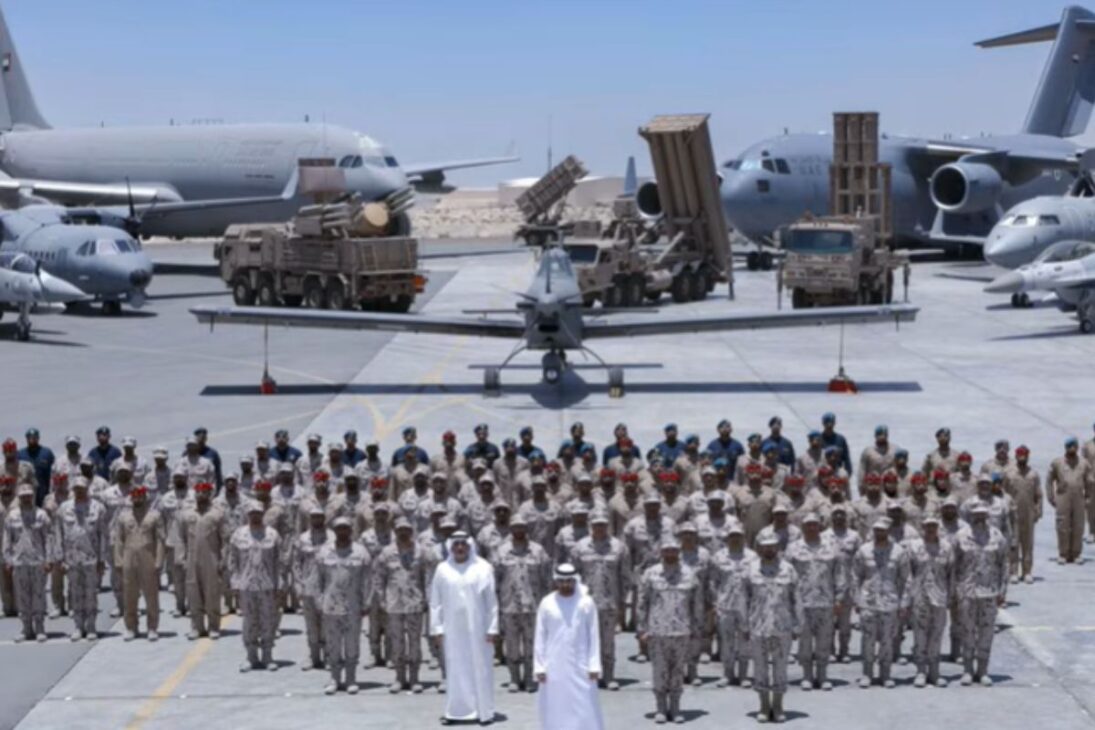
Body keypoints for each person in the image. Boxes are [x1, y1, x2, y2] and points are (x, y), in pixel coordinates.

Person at [429, 530, 498, 726]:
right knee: (455, 669)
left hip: (479, 629)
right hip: (452, 631)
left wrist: (493, 628)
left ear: (470, 546)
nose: (460, 548)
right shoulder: (442, 569)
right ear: (450, 547)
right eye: (456, 544)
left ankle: (483, 711)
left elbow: (492, 601)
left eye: (463, 544)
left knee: (480, 667)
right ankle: (456, 712)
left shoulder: (483, 568)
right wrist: (437, 628)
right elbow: (436, 602)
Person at [636, 538, 703, 725]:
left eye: (674, 551)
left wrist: (697, 630)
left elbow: (696, 604)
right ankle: (660, 708)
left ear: (678, 552)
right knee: (659, 670)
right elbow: (642, 603)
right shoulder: (651, 574)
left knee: (677, 671)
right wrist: (642, 629)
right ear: (661, 552)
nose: (670, 554)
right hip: (657, 631)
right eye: (667, 551)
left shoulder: (689, 574)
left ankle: (675, 707)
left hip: (681, 631)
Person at [534, 563, 604, 730]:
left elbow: (593, 635)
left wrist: (594, 665)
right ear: (556, 581)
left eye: (569, 581)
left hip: (581, 663)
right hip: (554, 664)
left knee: (583, 702)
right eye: (562, 581)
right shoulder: (547, 602)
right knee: (555, 703)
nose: (565, 585)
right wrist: (539, 667)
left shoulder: (586, 602)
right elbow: (540, 636)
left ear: (575, 581)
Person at [745, 532, 801, 723]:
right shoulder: (750, 569)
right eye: (765, 546)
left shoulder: (789, 569)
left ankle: (777, 705)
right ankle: (763, 705)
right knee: (760, 668)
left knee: (780, 668)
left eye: (772, 546)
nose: (769, 549)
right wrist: (744, 625)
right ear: (759, 548)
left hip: (782, 626)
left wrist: (797, 625)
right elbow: (743, 599)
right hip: (758, 626)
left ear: (778, 547)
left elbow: (797, 599)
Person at [571, 510, 629, 690]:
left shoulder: (619, 547)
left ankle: (609, 676)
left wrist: (622, 603)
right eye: (596, 525)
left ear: (608, 526)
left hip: (609, 603)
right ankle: (587, 677)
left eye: (603, 525)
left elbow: (625, 577)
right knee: (584, 642)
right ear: (590, 526)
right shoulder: (580, 547)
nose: (600, 528)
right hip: (584, 604)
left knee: (607, 642)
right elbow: (572, 577)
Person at [495, 515, 552, 693]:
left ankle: (529, 678)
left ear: (527, 529)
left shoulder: (538, 551)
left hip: (533, 606)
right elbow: (495, 580)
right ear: (511, 530)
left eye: (522, 527)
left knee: (531, 645)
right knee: (511, 644)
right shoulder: (501, 551)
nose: (519, 530)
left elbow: (547, 580)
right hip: (509, 606)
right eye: (516, 527)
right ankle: (513, 678)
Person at [785, 513, 841, 691]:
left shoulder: (831, 547)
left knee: (824, 640)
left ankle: (823, 676)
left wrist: (839, 598)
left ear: (820, 527)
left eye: (815, 525)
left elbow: (839, 575)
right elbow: (787, 575)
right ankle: (807, 675)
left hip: (825, 601)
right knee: (805, 641)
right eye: (808, 525)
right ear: (803, 527)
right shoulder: (793, 548)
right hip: (803, 602)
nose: (811, 528)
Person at [377, 517, 433, 693]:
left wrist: (427, 598)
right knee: (397, 642)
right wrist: (382, 600)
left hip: (415, 603)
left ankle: (415, 678)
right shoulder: (386, 553)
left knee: (415, 642)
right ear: (395, 532)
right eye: (400, 530)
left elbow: (428, 577)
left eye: (406, 530)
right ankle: (399, 678)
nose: (403, 533)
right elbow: (379, 578)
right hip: (394, 604)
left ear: (411, 532)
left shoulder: (421, 552)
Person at [317, 516, 373, 695]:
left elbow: (368, 580)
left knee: (351, 643)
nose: (342, 531)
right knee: (332, 644)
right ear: (334, 531)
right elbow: (318, 579)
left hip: (353, 606)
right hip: (331, 606)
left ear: (351, 530)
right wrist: (319, 600)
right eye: (339, 528)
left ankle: (350, 678)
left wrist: (367, 602)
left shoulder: (361, 552)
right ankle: (334, 678)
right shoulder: (324, 552)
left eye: (346, 528)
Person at [852, 518, 910, 689]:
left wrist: (904, 602)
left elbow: (906, 579)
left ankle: (886, 674)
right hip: (868, 601)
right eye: (877, 530)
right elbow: (855, 576)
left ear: (889, 531)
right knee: (867, 639)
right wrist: (857, 599)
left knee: (887, 640)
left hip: (890, 602)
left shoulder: (899, 552)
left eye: (883, 530)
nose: (880, 533)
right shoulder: (863, 550)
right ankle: (867, 674)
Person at [955, 503, 1008, 687]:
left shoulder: (996, 536)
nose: (979, 518)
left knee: (986, 632)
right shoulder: (961, 536)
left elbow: (1004, 564)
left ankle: (983, 670)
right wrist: (956, 590)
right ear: (970, 516)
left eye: (982, 515)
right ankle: (968, 670)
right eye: (976, 515)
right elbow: (954, 565)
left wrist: (1002, 591)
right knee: (967, 631)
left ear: (987, 515)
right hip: (967, 591)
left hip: (989, 591)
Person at [229, 500, 281, 672]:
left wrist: (279, 584)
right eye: (252, 513)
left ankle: (267, 656)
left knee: (268, 620)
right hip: (246, 585)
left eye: (258, 513)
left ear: (263, 514)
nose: (255, 516)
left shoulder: (272, 534)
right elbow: (233, 560)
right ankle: (251, 656)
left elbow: (278, 561)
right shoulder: (239, 535)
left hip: (267, 585)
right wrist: (234, 582)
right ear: (247, 514)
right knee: (249, 621)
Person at [54, 477, 107, 640]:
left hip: (91, 558)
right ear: (72, 489)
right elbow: (58, 534)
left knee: (91, 593)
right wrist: (60, 558)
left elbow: (103, 535)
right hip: (72, 559)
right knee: (75, 594)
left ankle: (91, 626)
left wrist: (102, 559)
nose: (79, 491)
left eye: (82, 488)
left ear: (87, 488)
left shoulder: (98, 508)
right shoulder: (64, 508)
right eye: (76, 488)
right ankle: (78, 626)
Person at [907, 516, 954, 688]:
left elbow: (951, 574)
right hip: (919, 597)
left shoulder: (946, 547)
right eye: (928, 526)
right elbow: (908, 573)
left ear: (938, 527)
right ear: (922, 527)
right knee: (920, 635)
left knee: (937, 634)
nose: (931, 529)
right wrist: (908, 597)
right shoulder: (913, 546)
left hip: (939, 597)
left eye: (934, 526)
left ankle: (934, 672)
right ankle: (920, 671)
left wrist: (951, 596)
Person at [112, 485, 163, 642]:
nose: (137, 498)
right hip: (129, 557)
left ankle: (152, 627)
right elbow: (118, 540)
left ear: (145, 497)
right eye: (134, 495)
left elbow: (160, 540)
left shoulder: (154, 515)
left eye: (140, 495)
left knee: (151, 595)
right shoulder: (123, 516)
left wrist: (159, 561)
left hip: (148, 557)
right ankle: (131, 627)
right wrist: (118, 560)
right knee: (130, 594)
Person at [709, 517, 755, 689]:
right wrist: (715, 602)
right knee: (726, 641)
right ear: (727, 539)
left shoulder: (752, 557)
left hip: (746, 605)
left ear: (743, 538)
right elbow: (713, 582)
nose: (735, 539)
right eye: (732, 536)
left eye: (738, 536)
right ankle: (727, 674)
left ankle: (743, 675)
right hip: (725, 605)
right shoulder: (718, 557)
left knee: (745, 640)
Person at [179, 482, 229, 639]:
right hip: (192, 558)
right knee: (193, 593)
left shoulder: (217, 514)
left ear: (210, 494)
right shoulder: (186, 514)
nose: (201, 495)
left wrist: (224, 559)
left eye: (205, 492)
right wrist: (181, 558)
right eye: (198, 492)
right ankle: (197, 627)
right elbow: (180, 538)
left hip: (211, 558)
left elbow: (225, 539)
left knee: (212, 593)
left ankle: (213, 626)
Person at [3, 483, 52, 642]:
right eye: (23, 496)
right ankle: (26, 628)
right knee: (22, 596)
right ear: (19, 498)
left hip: (38, 562)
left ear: (33, 496)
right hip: (19, 562)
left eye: (28, 496)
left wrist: (49, 559)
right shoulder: (12, 516)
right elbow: (7, 541)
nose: (26, 499)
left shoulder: (42, 515)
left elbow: (49, 539)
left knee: (38, 595)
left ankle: (39, 628)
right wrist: (7, 560)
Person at [294, 506, 332, 670]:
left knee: (328, 624)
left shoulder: (333, 537)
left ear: (324, 518)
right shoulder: (303, 539)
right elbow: (296, 564)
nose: (317, 520)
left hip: (328, 588)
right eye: (313, 517)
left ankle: (330, 656)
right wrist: (298, 584)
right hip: (308, 587)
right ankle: (313, 656)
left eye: (319, 517)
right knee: (311, 625)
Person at [1046, 437, 1091, 564]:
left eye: (1074, 446)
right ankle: (1063, 553)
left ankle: (1076, 553)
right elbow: (1049, 480)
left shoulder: (1083, 463)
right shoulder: (1057, 463)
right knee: (1063, 525)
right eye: (1069, 446)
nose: (1072, 448)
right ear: (1065, 448)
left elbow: (1089, 481)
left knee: (1078, 525)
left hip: (1079, 497)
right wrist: (1051, 497)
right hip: (1062, 496)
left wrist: (1088, 497)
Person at [1004, 446, 1043, 583]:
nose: (1022, 458)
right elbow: (1003, 494)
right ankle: (1013, 571)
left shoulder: (1033, 474)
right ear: (1015, 456)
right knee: (1013, 542)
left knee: (1028, 543)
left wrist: (1038, 512)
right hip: (1013, 513)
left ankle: (1027, 571)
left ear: (1028, 456)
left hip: (1028, 513)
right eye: (1020, 455)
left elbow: (1038, 495)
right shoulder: (1009, 474)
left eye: (1025, 455)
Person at [18, 428, 54, 506]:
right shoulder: (20, 454)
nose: (32, 440)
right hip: (25, 492)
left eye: (34, 437)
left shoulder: (47, 453)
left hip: (43, 492)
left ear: (38, 438)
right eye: (29, 437)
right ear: (26, 439)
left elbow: (53, 472)